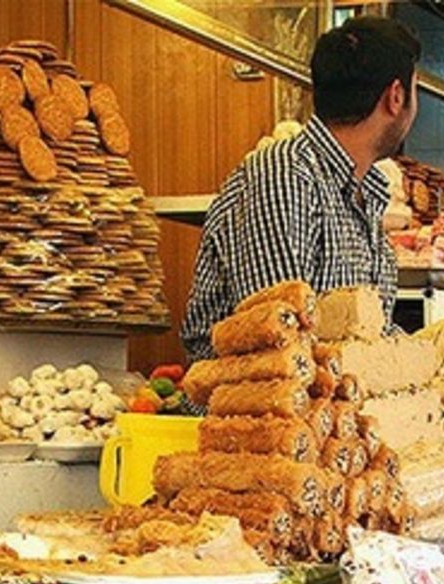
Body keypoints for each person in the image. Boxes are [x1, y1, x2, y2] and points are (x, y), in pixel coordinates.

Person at [180, 16, 420, 360]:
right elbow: (279, 339)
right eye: (416, 91)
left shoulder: (365, 193)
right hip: (251, 407)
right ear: (395, 97)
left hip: (332, 404)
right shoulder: (284, 175)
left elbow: (370, 336)